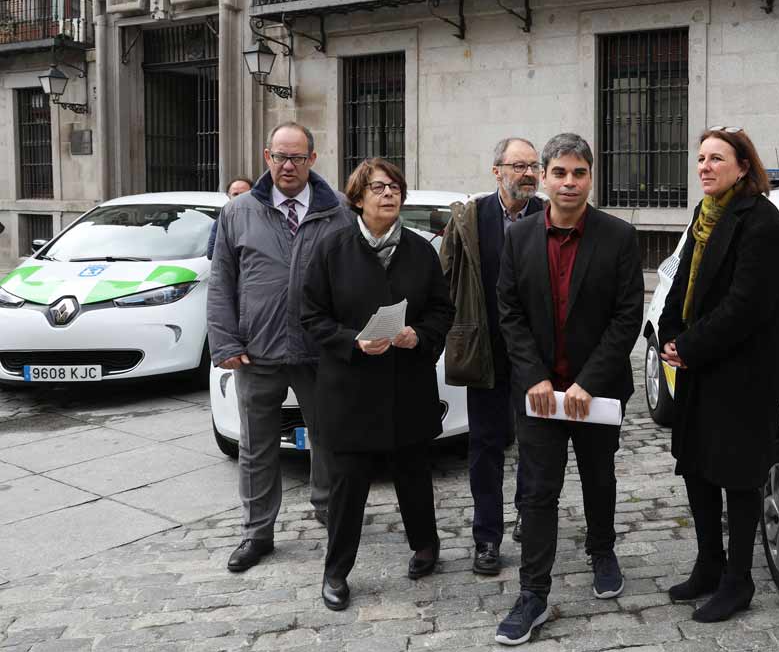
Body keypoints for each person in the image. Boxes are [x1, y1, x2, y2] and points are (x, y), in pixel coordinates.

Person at [493, 133, 644, 645]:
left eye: (579, 173)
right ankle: (533, 593)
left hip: (596, 394)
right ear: (544, 175)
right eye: (560, 172)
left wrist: (587, 382)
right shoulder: (518, 238)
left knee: (599, 477)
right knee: (537, 494)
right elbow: (509, 313)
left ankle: (602, 549)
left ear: (590, 177)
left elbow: (627, 319)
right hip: (538, 394)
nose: (569, 182)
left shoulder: (619, 237)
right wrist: (535, 377)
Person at [301, 158, 456, 610]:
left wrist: (419, 335)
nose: (389, 194)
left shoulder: (420, 250)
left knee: (413, 475)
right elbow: (311, 316)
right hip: (351, 391)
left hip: (407, 384)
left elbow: (441, 312)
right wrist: (352, 341)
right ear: (358, 197)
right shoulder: (332, 248)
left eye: (395, 187)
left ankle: (426, 546)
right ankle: (336, 572)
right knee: (348, 486)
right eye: (378, 188)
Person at [657, 128, 779, 623]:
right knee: (697, 465)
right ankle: (709, 565)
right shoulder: (704, 215)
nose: (705, 167)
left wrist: (689, 348)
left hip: (743, 373)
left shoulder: (762, 224)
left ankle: (739, 581)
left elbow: (746, 307)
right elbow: (681, 281)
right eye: (700, 159)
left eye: (717, 158)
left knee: (737, 476)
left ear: (743, 166)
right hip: (702, 365)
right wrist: (668, 333)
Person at [207, 122, 354, 573]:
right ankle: (257, 533)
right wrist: (225, 341)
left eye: (297, 157)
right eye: (279, 157)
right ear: (266, 157)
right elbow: (221, 283)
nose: (288, 166)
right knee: (255, 447)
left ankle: (332, 517)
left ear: (313, 158)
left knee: (327, 441)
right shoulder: (239, 212)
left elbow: (351, 283)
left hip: (319, 351)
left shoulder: (339, 212)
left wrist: (346, 341)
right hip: (258, 350)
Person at [439, 138, 544, 576]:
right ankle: (487, 537)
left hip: (536, 353)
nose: (527, 173)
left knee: (536, 440)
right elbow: (446, 276)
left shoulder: (547, 213)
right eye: (518, 165)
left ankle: (527, 511)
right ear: (496, 170)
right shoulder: (471, 216)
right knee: (485, 445)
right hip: (486, 349)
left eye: (533, 166)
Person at [207, 176, 254, 258]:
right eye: (235, 194)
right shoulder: (223, 219)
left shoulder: (263, 217)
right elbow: (211, 252)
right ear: (228, 196)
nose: (239, 198)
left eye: (243, 194)